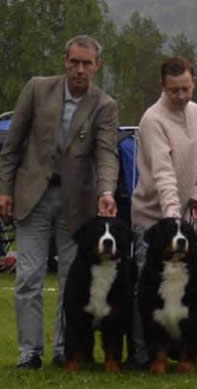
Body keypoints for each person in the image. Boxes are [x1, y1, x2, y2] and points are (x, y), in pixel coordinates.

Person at [0, 35, 119, 370]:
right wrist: (4, 189)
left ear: (97, 66)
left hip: (77, 203)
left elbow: (107, 154)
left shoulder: (104, 105)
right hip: (32, 196)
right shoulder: (37, 89)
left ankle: (66, 350)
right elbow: (12, 145)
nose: (79, 69)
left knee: (73, 279)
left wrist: (106, 191)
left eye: (86, 63)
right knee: (28, 276)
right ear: (64, 61)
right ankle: (30, 352)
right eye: (74, 62)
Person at [128, 56, 197, 368]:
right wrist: (173, 220)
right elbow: (163, 174)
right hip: (153, 218)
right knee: (146, 292)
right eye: (174, 90)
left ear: (193, 83)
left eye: (186, 89)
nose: (181, 96)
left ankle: (185, 352)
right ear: (163, 86)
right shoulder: (153, 119)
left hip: (183, 221)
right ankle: (141, 355)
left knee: (190, 293)